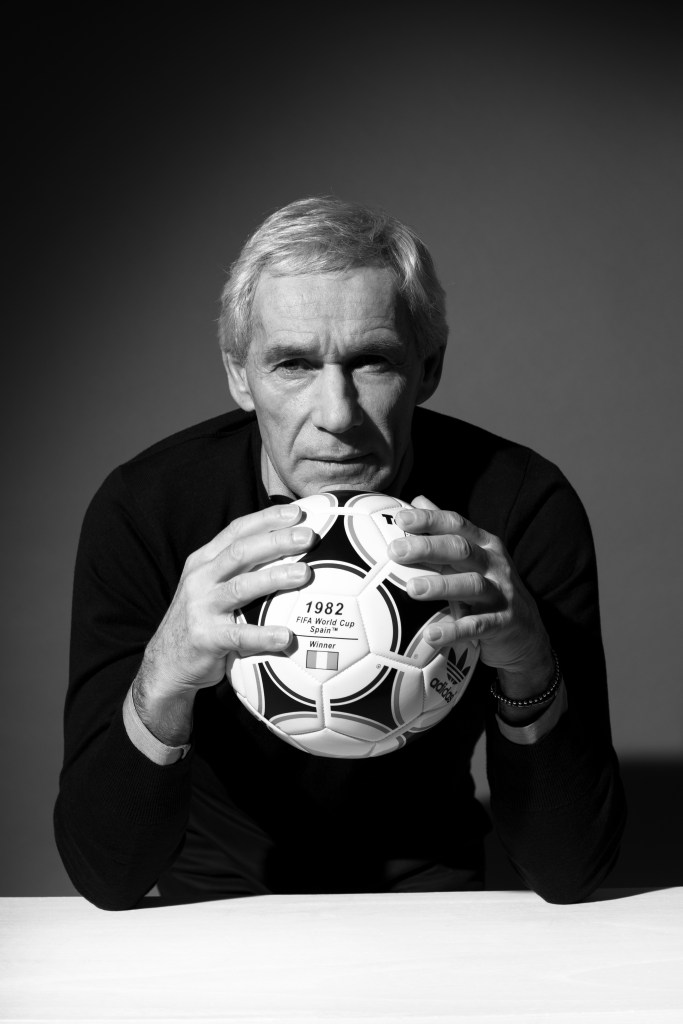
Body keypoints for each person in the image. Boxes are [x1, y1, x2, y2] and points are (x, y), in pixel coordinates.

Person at [54, 197, 626, 910]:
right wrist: (164, 676)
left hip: (432, 902)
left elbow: (571, 870)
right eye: (293, 364)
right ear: (239, 375)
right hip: (215, 910)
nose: (336, 414)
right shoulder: (148, 511)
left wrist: (531, 662)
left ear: (429, 367)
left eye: (372, 361)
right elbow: (105, 875)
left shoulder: (515, 509)